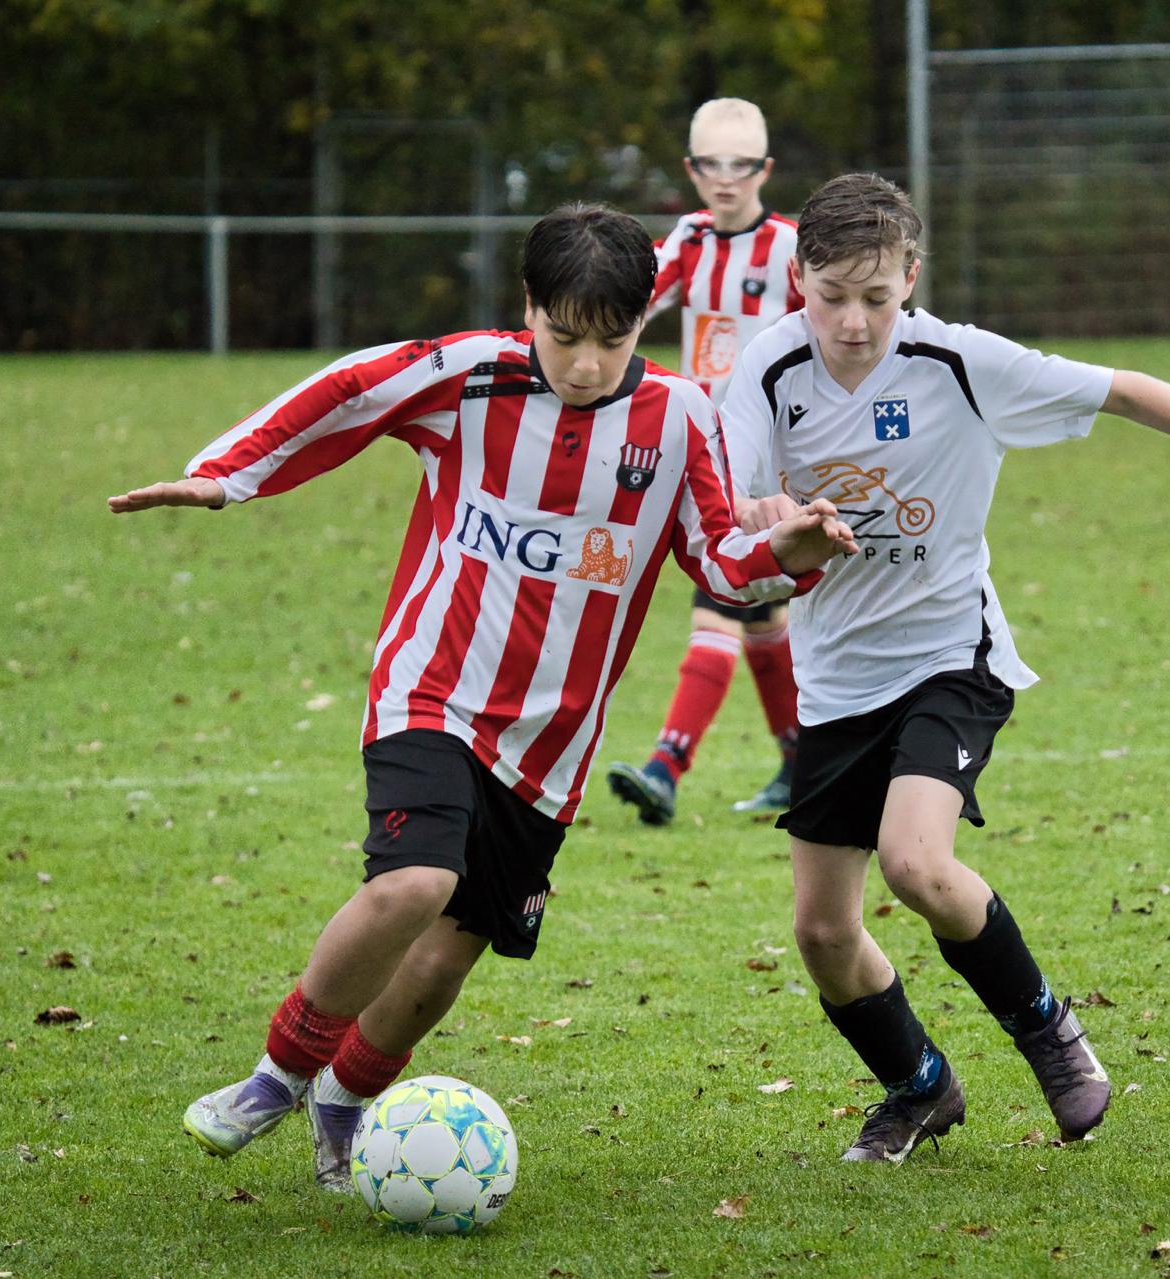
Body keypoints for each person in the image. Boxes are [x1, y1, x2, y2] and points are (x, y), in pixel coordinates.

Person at [106, 203, 856, 1191]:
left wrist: (792, 548)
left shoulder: (681, 419)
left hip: (551, 744)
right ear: (528, 308)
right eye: (564, 337)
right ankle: (279, 1075)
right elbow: (343, 393)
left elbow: (716, 551)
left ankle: (346, 1100)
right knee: (413, 883)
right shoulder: (467, 372)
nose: (586, 364)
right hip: (435, 686)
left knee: (446, 957)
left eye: (612, 340)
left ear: (644, 324)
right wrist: (224, 477)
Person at [721, 173, 1170, 1162]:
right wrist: (772, 532)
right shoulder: (765, 375)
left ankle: (1051, 1036)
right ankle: (919, 1085)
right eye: (830, 296)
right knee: (820, 934)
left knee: (917, 862)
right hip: (836, 681)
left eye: (877, 298)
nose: (852, 322)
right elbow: (735, 547)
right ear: (793, 275)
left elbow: (1128, 390)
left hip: (950, 654)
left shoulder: (957, 362)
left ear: (911, 279)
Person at [606, 98, 805, 827]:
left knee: (724, 601)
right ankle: (798, 760)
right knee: (757, 613)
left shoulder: (789, 248)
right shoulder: (688, 240)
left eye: (741, 164)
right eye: (711, 164)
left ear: (764, 169)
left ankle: (667, 764)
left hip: (771, 462)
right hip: (704, 452)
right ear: (692, 170)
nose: (726, 178)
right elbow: (626, 307)